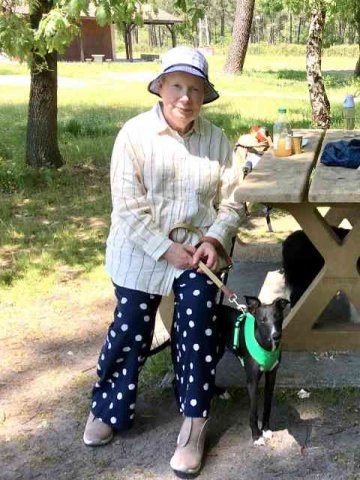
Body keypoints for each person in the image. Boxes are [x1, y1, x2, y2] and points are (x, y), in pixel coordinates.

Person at [83, 45, 243, 476]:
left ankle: (194, 421)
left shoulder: (217, 140)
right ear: (160, 87)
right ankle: (107, 407)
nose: (185, 98)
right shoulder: (133, 136)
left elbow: (232, 202)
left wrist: (215, 237)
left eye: (195, 89)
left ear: (205, 95)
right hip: (141, 252)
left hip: (198, 255)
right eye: (177, 86)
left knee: (197, 322)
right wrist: (165, 249)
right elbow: (127, 211)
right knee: (132, 323)